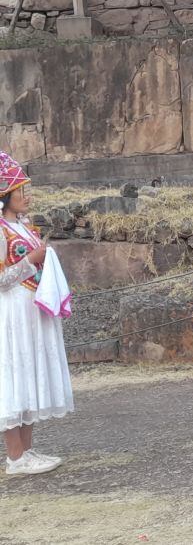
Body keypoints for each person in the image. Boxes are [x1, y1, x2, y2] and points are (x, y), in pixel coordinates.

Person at [0, 152, 73, 475]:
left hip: (31, 309)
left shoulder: (23, 225)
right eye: (21, 191)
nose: (27, 196)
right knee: (14, 376)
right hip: (12, 310)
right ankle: (15, 455)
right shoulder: (2, 231)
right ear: (5, 196)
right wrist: (32, 259)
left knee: (28, 374)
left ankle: (26, 450)